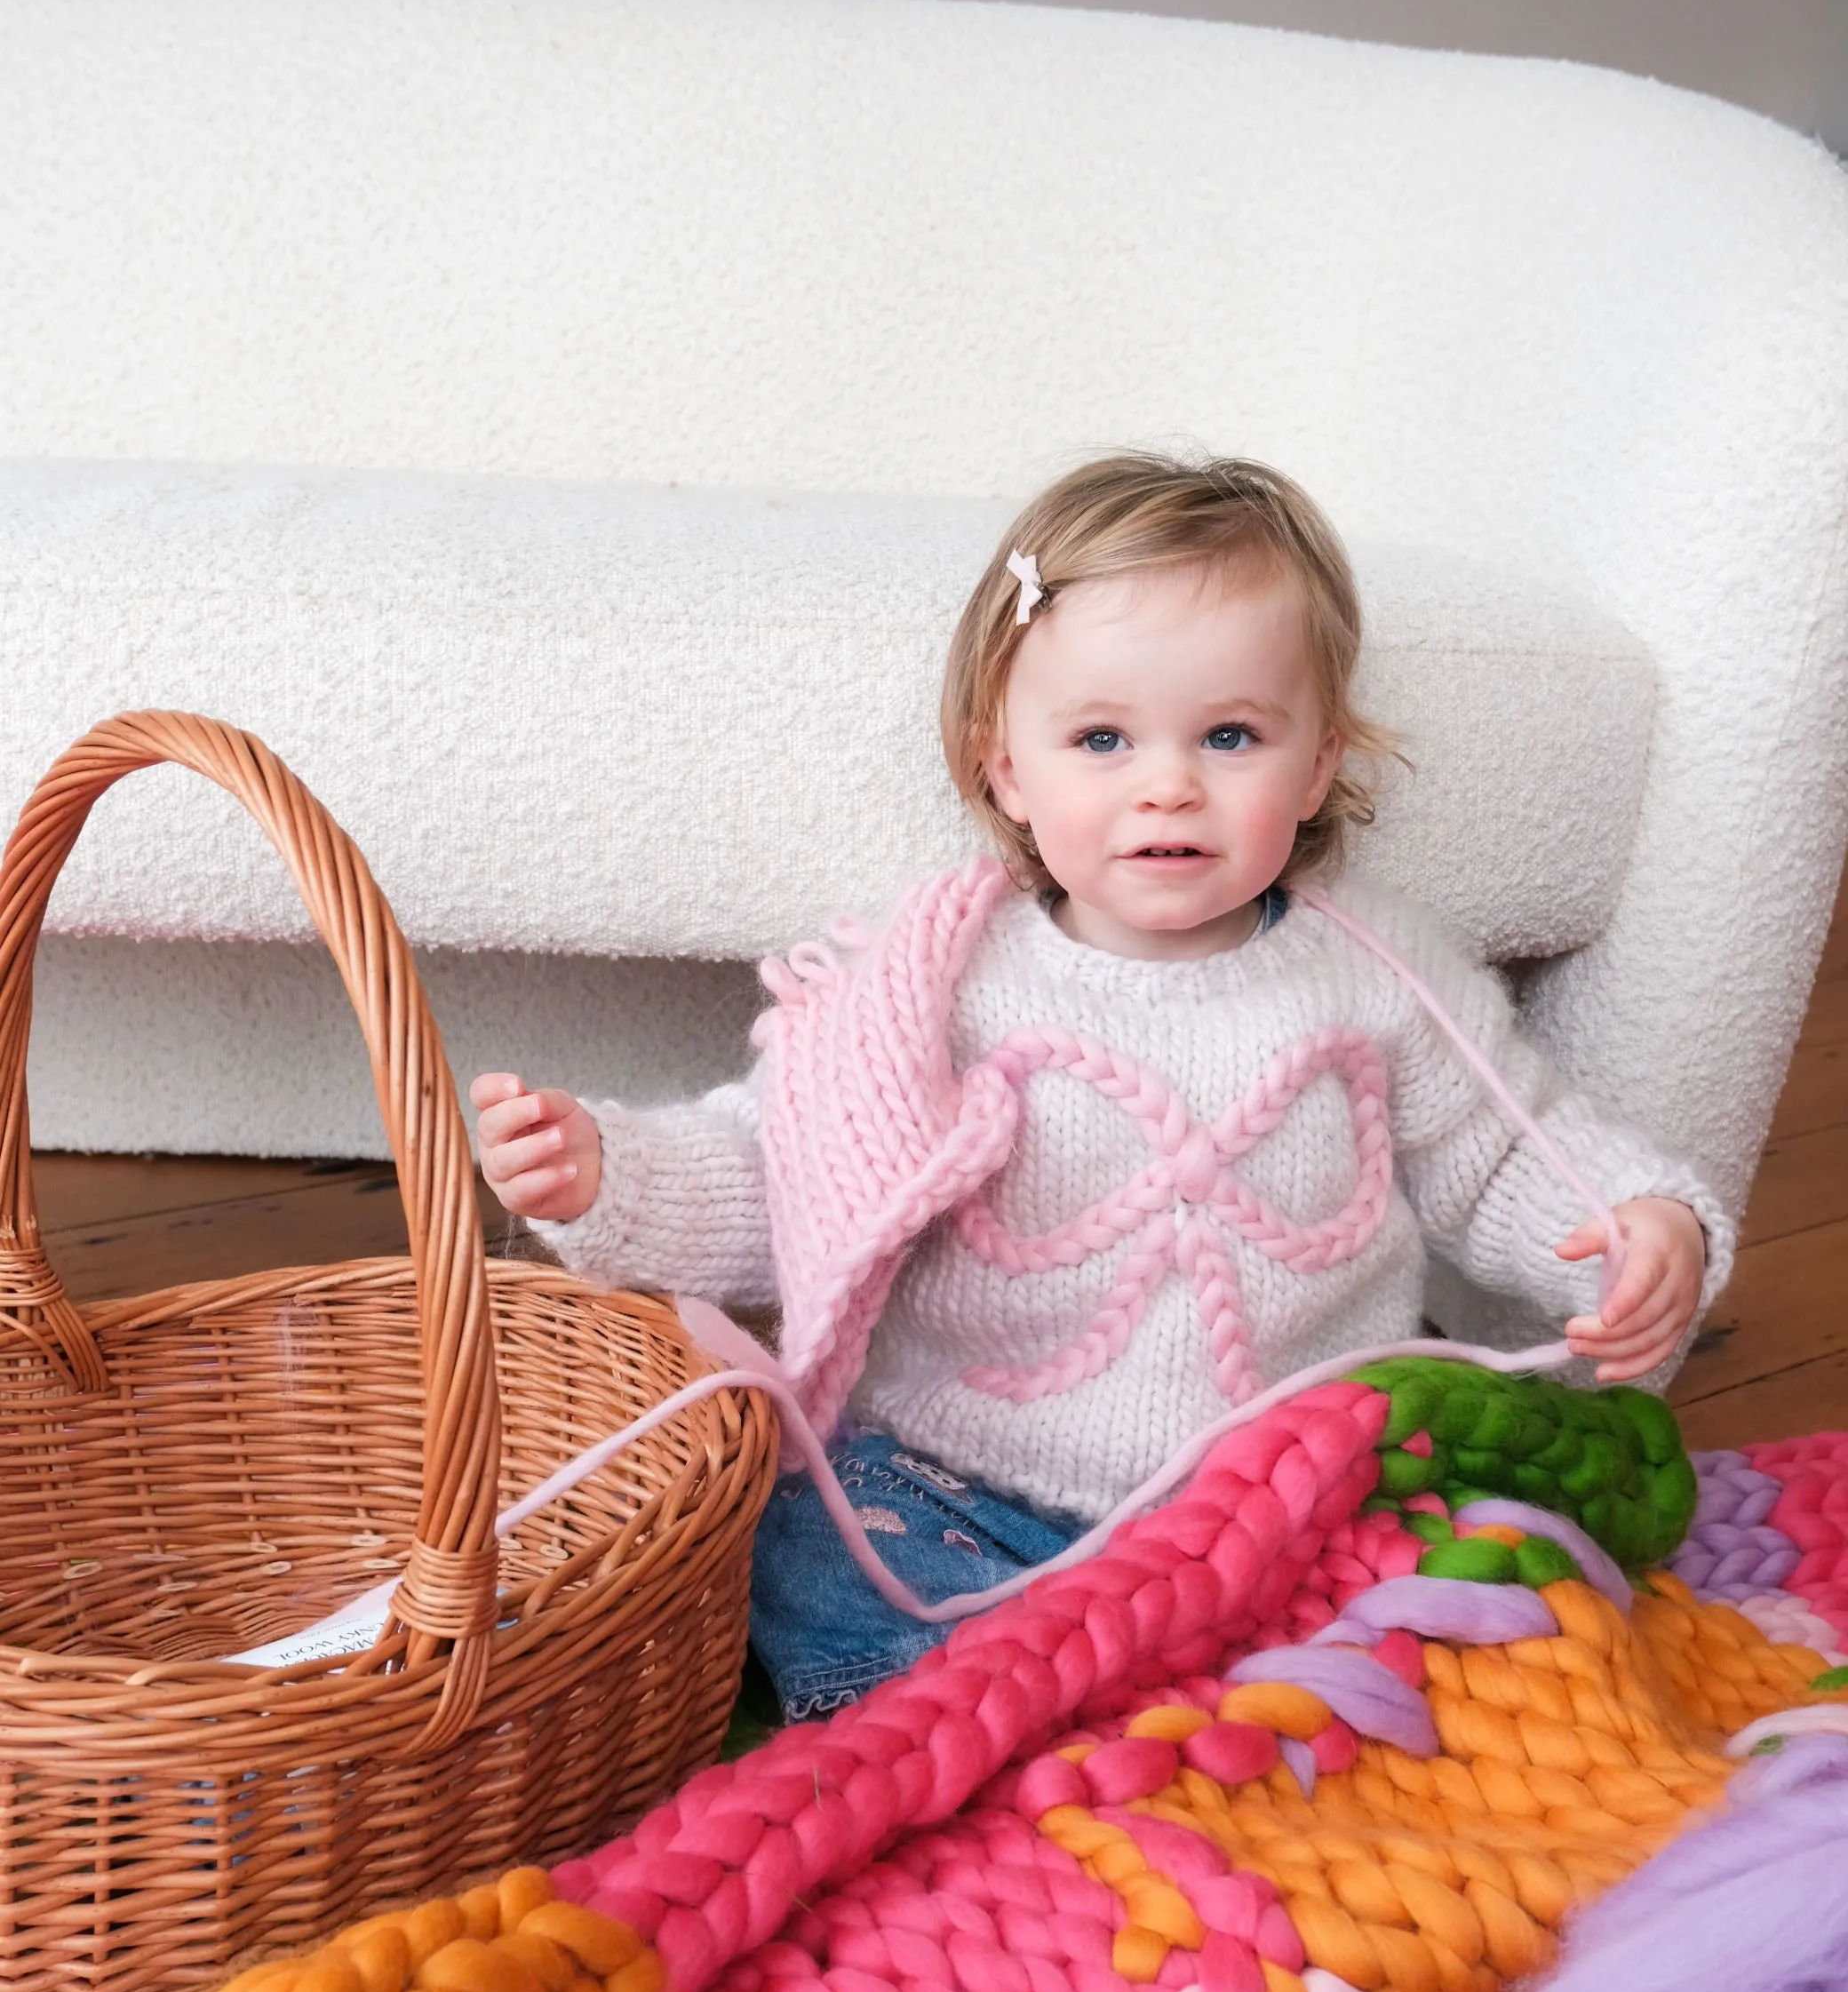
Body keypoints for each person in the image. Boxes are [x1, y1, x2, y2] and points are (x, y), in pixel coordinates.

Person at [472, 455, 1727, 1721]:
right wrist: (606, 1173)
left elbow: (1510, 1157)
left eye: (1230, 736)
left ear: (1316, 763)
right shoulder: (945, 982)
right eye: (1103, 739)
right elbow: (787, 1176)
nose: (1168, 783)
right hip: (963, 1494)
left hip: (1296, 1492)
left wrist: (1637, 1230)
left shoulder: (1377, 979)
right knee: (802, 1550)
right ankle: (1012, 1727)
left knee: (1500, 1589)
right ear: (1008, 770)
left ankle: (1192, 1709)